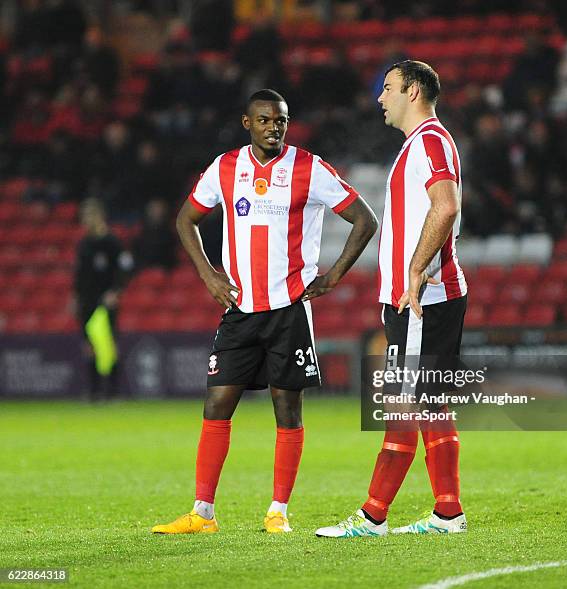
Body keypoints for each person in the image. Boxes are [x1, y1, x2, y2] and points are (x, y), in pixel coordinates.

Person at [151, 89, 378, 535]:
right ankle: (203, 513)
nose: (275, 126)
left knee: (286, 409)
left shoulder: (309, 168)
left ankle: (278, 511)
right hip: (240, 309)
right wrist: (209, 275)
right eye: (265, 120)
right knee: (216, 403)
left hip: (289, 310)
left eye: (282, 120)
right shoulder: (224, 168)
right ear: (247, 123)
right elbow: (185, 220)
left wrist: (332, 278)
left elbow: (365, 220)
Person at [316, 60, 468, 538]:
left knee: (406, 405)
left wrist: (415, 270)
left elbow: (446, 205)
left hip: (424, 297)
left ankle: (375, 516)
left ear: (415, 90)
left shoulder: (428, 142)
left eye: (388, 88)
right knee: (425, 406)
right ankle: (445, 513)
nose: (380, 98)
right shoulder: (417, 146)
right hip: (418, 297)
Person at [74, 198, 133, 400]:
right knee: (89, 345)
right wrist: (76, 296)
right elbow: (80, 274)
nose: (85, 221)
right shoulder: (84, 244)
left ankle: (113, 391)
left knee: (110, 344)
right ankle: (94, 391)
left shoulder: (112, 242)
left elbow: (125, 268)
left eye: (88, 216)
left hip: (106, 300)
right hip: (87, 300)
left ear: (99, 216)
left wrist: (115, 291)